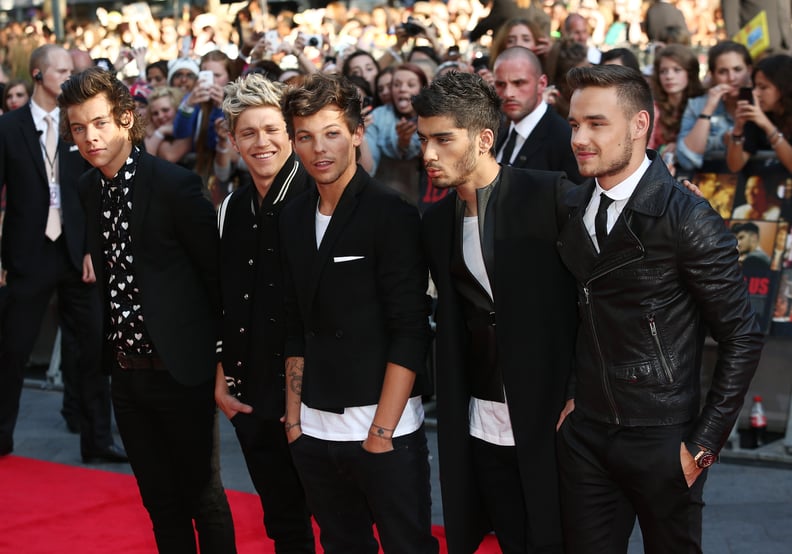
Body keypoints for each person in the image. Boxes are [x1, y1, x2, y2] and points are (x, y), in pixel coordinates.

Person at [557, 64, 764, 553]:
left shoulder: (686, 218)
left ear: (639, 125)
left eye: (596, 124)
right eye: (573, 125)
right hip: (586, 434)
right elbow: (575, 314)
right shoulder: (571, 206)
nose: (580, 138)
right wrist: (571, 400)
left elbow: (742, 335)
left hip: (663, 437)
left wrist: (702, 445)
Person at [59, 67, 235, 553]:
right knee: (159, 502)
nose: (89, 137)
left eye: (98, 123)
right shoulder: (87, 188)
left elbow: (214, 278)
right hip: (125, 375)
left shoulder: (174, 186)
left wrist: (220, 362)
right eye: (78, 127)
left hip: (182, 371)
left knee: (203, 496)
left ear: (124, 119)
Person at [414, 70, 577, 553]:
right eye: (423, 139)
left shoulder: (548, 194)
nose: (428, 154)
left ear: (484, 138)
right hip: (480, 421)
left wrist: (578, 394)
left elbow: (597, 297)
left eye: (443, 139)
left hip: (551, 419)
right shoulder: (436, 221)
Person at [279, 72, 438, 554]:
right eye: (304, 137)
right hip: (313, 428)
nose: (318, 148)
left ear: (356, 133)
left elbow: (410, 328)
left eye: (331, 133)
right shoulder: (290, 213)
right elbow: (293, 321)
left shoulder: (390, 212)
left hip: (382, 427)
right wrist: (293, 422)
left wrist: (381, 434)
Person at [0, 44, 125, 463]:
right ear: (37, 74)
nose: (69, 76)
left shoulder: (81, 126)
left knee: (92, 350)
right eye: (61, 70)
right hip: (27, 253)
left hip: (78, 255)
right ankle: (2, 437)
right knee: (11, 349)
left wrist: (94, 247)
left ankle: (97, 440)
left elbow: (97, 192)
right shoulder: (9, 128)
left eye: (73, 70)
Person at [214, 73, 315, 552]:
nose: (262, 142)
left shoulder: (317, 198)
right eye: (248, 133)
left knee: (344, 523)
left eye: (272, 129)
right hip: (251, 399)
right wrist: (222, 376)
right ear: (233, 139)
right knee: (283, 523)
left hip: (316, 399)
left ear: (291, 131)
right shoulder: (231, 207)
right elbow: (222, 297)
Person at [492, 46, 581, 181]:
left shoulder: (565, 140)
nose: (508, 93)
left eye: (518, 83)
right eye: (500, 84)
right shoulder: (497, 134)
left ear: (541, 84)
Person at [676, 41, 752, 172]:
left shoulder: (762, 103)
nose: (731, 78)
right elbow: (686, 159)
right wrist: (709, 108)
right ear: (713, 75)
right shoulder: (697, 105)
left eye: (737, 69)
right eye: (723, 72)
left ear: (749, 70)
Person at [726, 54, 792, 174]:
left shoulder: (762, 119)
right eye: (755, 86)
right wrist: (738, 129)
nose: (755, 93)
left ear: (784, 88)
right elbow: (735, 166)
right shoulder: (757, 115)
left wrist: (767, 126)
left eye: (763, 87)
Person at [648, 44, 705, 170]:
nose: (669, 76)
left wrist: (678, 147)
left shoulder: (703, 104)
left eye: (677, 70)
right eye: (663, 71)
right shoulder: (652, 107)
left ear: (690, 73)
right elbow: (646, 148)